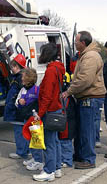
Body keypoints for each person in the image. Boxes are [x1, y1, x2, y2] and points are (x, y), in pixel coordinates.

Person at [62, 31, 106, 170]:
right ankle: (81, 155)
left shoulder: (90, 56)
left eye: (76, 41)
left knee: (87, 130)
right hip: (86, 97)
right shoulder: (86, 55)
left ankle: (88, 159)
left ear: (83, 42)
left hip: (90, 97)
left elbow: (85, 79)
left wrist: (68, 92)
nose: (74, 43)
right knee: (82, 129)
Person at [32, 43, 64, 182]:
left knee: (49, 142)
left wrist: (40, 112)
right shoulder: (58, 68)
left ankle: (49, 170)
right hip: (56, 108)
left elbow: (47, 95)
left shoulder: (51, 70)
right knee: (55, 141)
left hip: (49, 110)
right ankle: (56, 168)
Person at [14, 68, 42, 171]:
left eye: (23, 76)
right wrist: (19, 102)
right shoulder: (22, 90)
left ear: (28, 78)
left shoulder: (36, 89)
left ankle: (38, 160)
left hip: (34, 119)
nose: (21, 78)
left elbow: (41, 103)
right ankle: (34, 157)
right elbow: (17, 102)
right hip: (26, 117)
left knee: (36, 139)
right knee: (29, 139)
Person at [3, 54, 29, 160]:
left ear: (17, 66)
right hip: (19, 109)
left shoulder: (19, 79)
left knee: (19, 131)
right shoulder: (21, 77)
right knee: (23, 130)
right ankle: (26, 150)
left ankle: (21, 152)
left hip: (17, 110)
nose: (11, 69)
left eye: (12, 67)